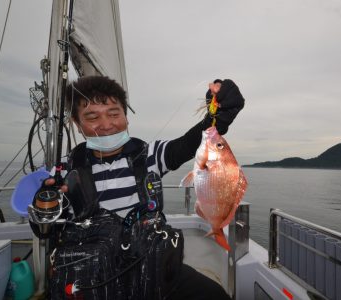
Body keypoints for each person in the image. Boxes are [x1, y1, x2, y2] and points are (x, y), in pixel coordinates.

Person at [31, 75, 245, 299]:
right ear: (77, 123)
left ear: (126, 116)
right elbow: (45, 230)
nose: (106, 124)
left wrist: (220, 114)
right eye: (92, 116)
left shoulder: (150, 155)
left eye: (114, 114)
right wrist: (44, 206)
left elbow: (191, 142)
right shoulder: (65, 169)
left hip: (154, 265)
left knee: (214, 295)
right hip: (93, 274)